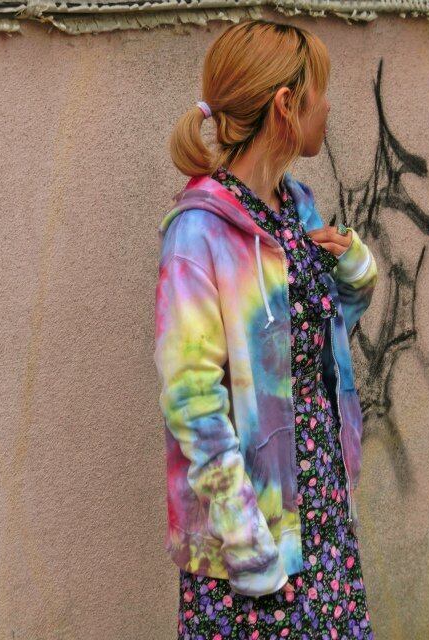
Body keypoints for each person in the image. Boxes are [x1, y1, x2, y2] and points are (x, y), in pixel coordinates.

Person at [154, 18, 377, 639]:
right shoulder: (198, 231)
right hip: (251, 544)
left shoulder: (295, 206)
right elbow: (192, 402)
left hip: (320, 512)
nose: (327, 106)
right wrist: (249, 548)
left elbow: (319, 332)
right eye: (318, 92)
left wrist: (352, 267)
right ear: (286, 105)